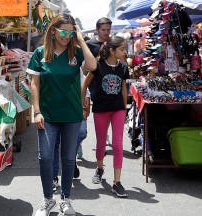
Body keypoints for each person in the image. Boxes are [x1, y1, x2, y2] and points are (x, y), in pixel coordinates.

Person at [27, 13, 96, 216]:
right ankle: (48, 199)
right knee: (45, 158)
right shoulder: (40, 53)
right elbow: (34, 84)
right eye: (63, 31)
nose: (67, 36)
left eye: (70, 32)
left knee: (68, 159)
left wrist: (81, 39)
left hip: (72, 115)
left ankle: (65, 199)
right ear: (53, 31)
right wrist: (37, 111)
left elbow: (92, 67)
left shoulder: (76, 52)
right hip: (47, 116)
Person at [82, 36, 129, 198]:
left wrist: (125, 109)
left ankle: (117, 182)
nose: (125, 52)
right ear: (112, 50)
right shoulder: (98, 66)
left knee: (117, 144)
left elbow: (124, 90)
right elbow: (84, 85)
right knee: (101, 143)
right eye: (122, 49)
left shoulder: (123, 67)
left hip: (118, 109)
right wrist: (83, 104)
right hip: (101, 109)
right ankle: (100, 168)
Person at [52, 70, 91, 191]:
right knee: (55, 143)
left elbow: (86, 90)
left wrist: (85, 108)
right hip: (56, 110)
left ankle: (71, 158)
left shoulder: (76, 67)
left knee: (81, 133)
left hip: (75, 111)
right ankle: (54, 176)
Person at [86, 17, 112, 146]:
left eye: (108, 30)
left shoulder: (113, 43)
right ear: (97, 30)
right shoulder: (90, 44)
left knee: (108, 109)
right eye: (103, 30)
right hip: (94, 82)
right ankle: (101, 134)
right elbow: (85, 64)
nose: (106, 32)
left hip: (111, 82)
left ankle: (104, 134)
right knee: (99, 110)